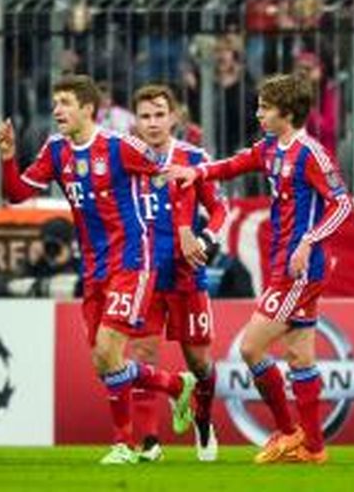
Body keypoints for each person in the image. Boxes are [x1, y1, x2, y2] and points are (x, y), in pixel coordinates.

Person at [0, 74, 196, 465]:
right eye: (55, 103)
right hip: (94, 268)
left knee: (108, 349)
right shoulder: (56, 151)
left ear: (88, 109)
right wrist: (7, 155)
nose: (57, 110)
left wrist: (182, 225)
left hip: (132, 262)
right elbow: (17, 194)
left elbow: (172, 175)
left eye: (65, 102)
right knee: (105, 363)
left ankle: (124, 444)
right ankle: (174, 384)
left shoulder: (120, 147)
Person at [167, 73, 354, 464]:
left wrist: (308, 241)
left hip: (300, 270)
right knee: (300, 355)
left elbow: (342, 204)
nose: (258, 115)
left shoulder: (310, 154)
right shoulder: (271, 148)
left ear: (286, 112)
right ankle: (314, 448)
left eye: (264, 108)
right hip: (283, 266)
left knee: (252, 346)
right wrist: (197, 172)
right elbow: (235, 164)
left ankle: (289, 432)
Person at [128, 84, 228, 463]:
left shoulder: (192, 158)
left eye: (159, 114)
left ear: (173, 117)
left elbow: (220, 211)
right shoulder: (126, 158)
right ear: (135, 121)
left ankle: (203, 420)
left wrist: (204, 239)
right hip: (145, 275)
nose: (152, 123)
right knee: (142, 355)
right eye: (145, 116)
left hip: (187, 275)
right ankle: (150, 443)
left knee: (200, 363)